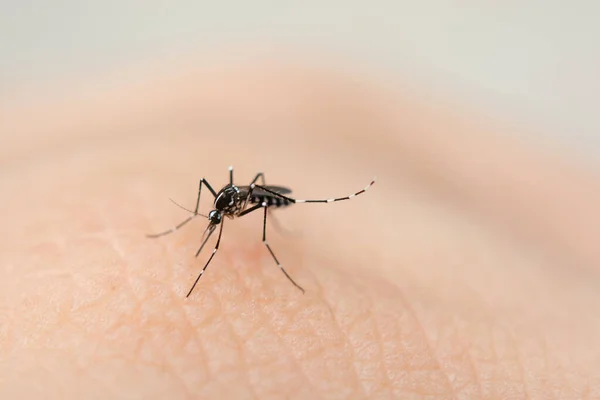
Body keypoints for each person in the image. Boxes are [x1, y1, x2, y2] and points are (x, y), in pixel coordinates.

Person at [1, 60, 598, 398]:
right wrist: (192, 220)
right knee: (228, 183)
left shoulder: (246, 201)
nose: (216, 220)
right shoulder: (217, 199)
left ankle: (285, 241)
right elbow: (214, 203)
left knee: (254, 197)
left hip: (271, 196)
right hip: (249, 185)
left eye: (215, 217)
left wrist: (262, 223)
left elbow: (248, 198)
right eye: (212, 216)